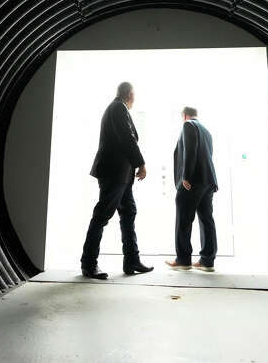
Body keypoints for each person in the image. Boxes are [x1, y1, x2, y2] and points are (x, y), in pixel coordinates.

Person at [80, 82, 155, 279]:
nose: (134, 99)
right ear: (130, 94)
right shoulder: (118, 108)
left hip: (122, 175)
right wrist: (141, 163)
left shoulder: (116, 108)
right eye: (135, 95)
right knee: (102, 216)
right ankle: (88, 264)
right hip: (114, 173)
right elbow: (127, 138)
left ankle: (131, 260)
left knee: (129, 212)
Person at [166, 106, 219, 272]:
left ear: (184, 115)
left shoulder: (188, 125)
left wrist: (186, 176)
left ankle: (183, 260)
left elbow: (190, 149)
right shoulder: (207, 131)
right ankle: (207, 261)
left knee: (183, 218)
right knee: (206, 219)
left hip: (193, 180)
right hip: (208, 181)